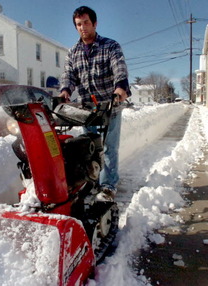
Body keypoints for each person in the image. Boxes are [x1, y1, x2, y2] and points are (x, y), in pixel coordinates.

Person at [59, 6, 131, 199]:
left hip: (110, 106)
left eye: (86, 23)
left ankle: (108, 185)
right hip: (87, 110)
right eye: (78, 24)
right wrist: (65, 90)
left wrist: (120, 88)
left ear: (95, 23)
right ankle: (91, 181)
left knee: (108, 147)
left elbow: (120, 69)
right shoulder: (73, 52)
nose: (83, 28)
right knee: (88, 148)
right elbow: (68, 76)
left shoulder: (110, 46)